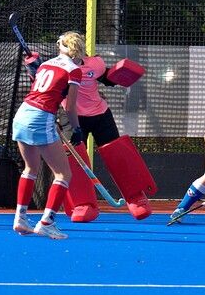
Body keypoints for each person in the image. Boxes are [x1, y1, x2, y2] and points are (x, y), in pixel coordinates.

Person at [58, 53, 156, 222]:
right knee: (73, 158)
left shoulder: (94, 63)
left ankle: (135, 196)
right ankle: (83, 203)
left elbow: (108, 79)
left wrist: (121, 74)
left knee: (117, 152)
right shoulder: (58, 67)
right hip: (72, 117)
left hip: (100, 114)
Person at [12, 31, 84, 240]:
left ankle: (20, 218)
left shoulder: (46, 64)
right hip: (40, 117)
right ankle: (47, 222)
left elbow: (43, 88)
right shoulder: (74, 70)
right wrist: (76, 128)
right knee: (63, 174)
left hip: (23, 112)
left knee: (30, 168)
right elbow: (69, 106)